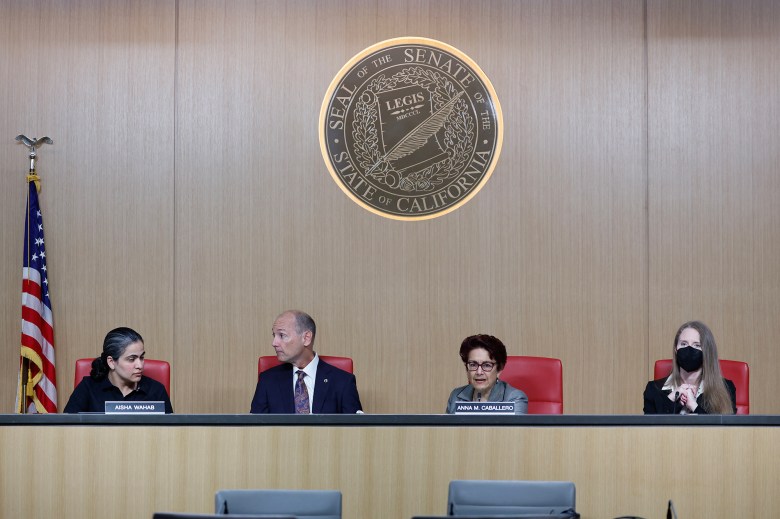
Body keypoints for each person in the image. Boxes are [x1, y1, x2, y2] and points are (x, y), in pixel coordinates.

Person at [250, 310, 362, 414]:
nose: (274, 343)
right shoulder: (268, 381)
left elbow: (354, 430)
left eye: (282, 335)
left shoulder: (343, 382)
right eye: (274, 336)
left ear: (306, 338)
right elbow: (254, 429)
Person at [64, 327, 173, 413]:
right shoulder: (88, 388)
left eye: (141, 357)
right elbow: (67, 429)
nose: (140, 365)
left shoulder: (156, 391)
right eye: (132, 359)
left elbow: (169, 432)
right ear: (111, 362)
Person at [643, 320, 736, 414]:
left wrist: (693, 405)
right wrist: (670, 400)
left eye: (697, 345)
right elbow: (651, 427)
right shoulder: (653, 389)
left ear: (707, 352)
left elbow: (723, 428)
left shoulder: (725, 388)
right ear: (676, 349)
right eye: (683, 344)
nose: (689, 349)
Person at [446, 334, 528, 414]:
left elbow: (513, 428)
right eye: (473, 364)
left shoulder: (514, 398)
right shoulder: (456, 395)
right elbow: (447, 428)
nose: (479, 372)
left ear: (499, 369)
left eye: (487, 365)